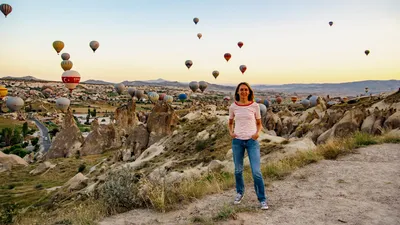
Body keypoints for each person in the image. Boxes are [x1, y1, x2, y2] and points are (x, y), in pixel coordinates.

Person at [228, 82, 268, 210]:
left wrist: (257, 133)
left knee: (256, 172)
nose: (244, 92)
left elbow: (259, 123)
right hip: (238, 141)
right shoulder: (233, 106)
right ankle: (240, 193)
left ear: (249, 92)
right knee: (238, 170)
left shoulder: (255, 106)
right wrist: (231, 133)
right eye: (241, 90)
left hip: (252, 141)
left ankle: (262, 199)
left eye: (246, 89)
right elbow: (230, 122)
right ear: (238, 92)